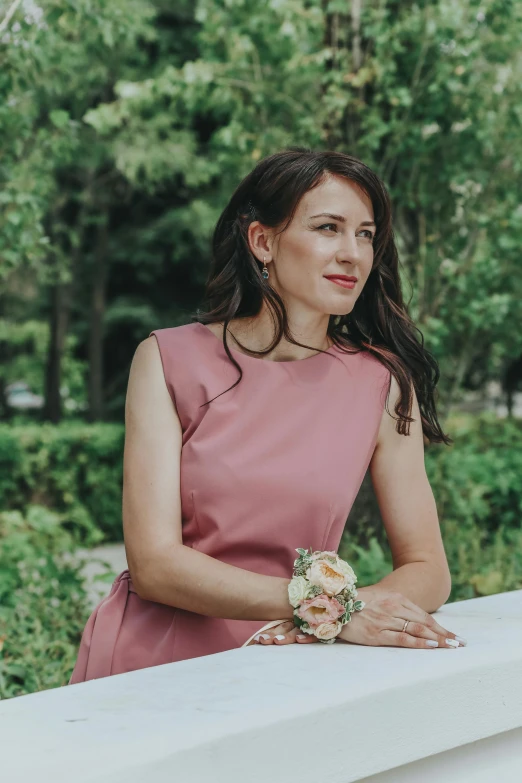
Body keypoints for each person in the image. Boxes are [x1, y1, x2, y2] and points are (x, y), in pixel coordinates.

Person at [69, 147, 466, 685]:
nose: (353, 253)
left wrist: (340, 613)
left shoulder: (382, 382)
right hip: (154, 663)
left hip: (289, 665)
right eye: (329, 228)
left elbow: (428, 568)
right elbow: (155, 562)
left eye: (366, 234)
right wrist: (327, 607)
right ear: (263, 242)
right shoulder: (168, 359)